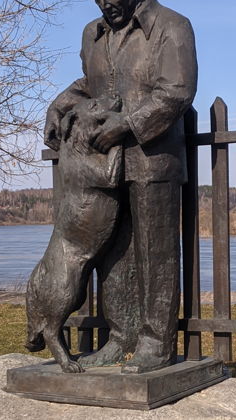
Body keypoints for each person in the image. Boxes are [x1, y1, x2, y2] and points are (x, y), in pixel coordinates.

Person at [44, 0, 197, 374]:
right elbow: (91, 85)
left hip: (153, 160)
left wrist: (127, 123)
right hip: (106, 165)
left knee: (154, 255)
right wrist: (59, 106)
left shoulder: (171, 26)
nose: (106, 3)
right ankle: (121, 338)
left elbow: (176, 91)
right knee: (114, 255)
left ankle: (156, 344)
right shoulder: (92, 34)